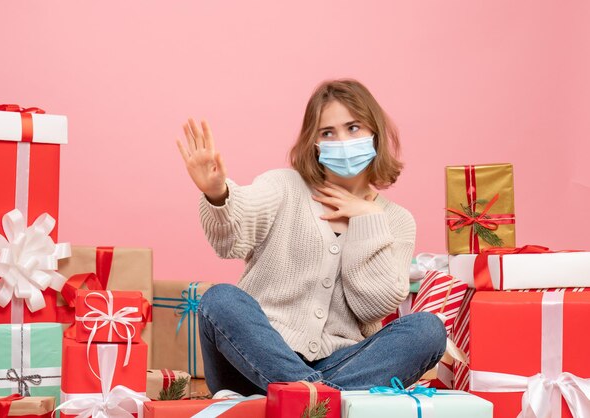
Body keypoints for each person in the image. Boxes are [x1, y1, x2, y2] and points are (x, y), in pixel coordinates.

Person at [176, 79, 446, 396]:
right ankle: (322, 400)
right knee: (219, 298)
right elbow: (232, 236)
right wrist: (217, 193)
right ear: (314, 143)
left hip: (343, 363)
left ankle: (306, 399)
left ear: (374, 132)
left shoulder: (396, 220)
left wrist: (367, 219)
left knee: (428, 330)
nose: (341, 139)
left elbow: (372, 306)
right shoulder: (285, 186)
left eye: (353, 127)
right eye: (327, 132)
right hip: (251, 359)